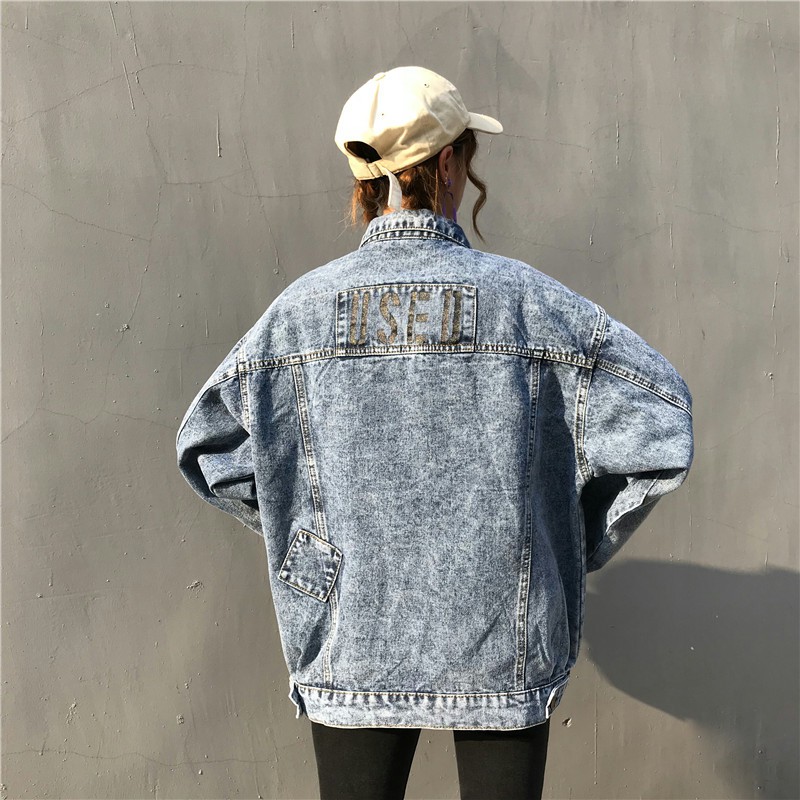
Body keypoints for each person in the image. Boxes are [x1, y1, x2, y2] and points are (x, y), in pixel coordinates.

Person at [176, 66, 694, 800]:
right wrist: (557, 544)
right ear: (448, 164)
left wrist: (315, 554)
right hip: (502, 630)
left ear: (364, 181)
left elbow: (209, 446)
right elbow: (663, 420)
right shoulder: (529, 304)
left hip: (353, 630)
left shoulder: (299, 314)